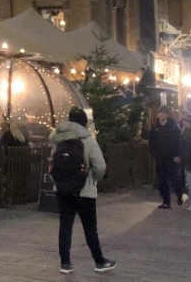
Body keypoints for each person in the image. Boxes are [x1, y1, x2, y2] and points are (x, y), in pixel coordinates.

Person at [50, 108, 116, 274]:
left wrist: (60, 181)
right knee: (90, 228)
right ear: (84, 122)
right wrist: (93, 178)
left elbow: (53, 164)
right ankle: (99, 261)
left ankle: (65, 263)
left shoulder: (57, 139)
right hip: (84, 191)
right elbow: (100, 166)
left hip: (63, 189)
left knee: (65, 226)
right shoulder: (88, 140)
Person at [148, 106, 183, 209]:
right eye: (160, 113)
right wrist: (153, 153)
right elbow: (152, 141)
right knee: (162, 180)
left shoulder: (173, 126)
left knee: (174, 178)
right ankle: (166, 202)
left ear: (167, 114)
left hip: (172, 157)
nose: (162, 115)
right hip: (160, 158)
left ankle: (179, 193)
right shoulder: (155, 127)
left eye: (164, 113)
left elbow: (178, 142)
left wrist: (177, 155)